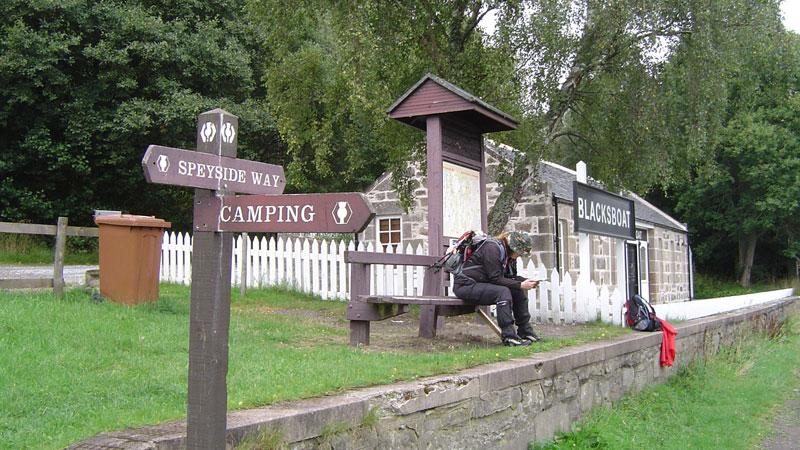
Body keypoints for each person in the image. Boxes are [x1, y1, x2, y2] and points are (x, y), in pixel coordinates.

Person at [453, 231, 541, 346]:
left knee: (517, 291)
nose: (519, 256)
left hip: (482, 284)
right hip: (466, 286)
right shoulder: (492, 248)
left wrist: (525, 281)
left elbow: (509, 277)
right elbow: (495, 278)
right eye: (519, 253)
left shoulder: (508, 256)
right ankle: (509, 337)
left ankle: (525, 331)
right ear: (513, 248)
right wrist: (520, 284)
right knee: (502, 292)